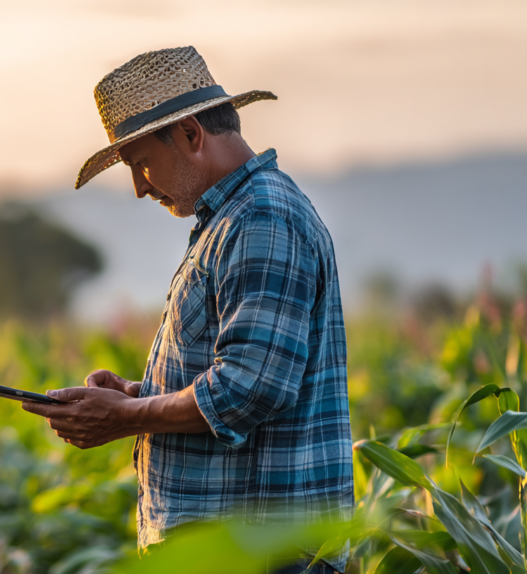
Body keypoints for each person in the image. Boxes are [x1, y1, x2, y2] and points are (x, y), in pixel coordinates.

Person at [21, 46, 353, 574]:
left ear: (192, 135)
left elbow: (251, 388)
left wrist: (126, 416)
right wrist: (140, 394)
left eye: (141, 163)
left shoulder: (262, 218)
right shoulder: (233, 220)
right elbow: (232, 372)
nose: (138, 187)